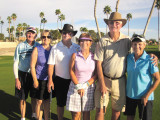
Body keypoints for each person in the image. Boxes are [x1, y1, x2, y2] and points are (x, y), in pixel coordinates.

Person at [94, 12, 158, 120]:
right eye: (111, 23)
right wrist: (102, 83)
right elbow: (98, 64)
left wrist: (150, 55)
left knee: (116, 112)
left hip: (120, 81)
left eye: (117, 23)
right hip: (104, 79)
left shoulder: (127, 40)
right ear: (108, 24)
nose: (114, 25)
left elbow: (137, 49)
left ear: (121, 25)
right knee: (100, 110)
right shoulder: (102, 41)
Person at [47, 24, 80, 120]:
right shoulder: (55, 48)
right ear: (61, 33)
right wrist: (50, 80)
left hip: (74, 81)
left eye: (69, 33)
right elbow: (50, 66)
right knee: (60, 104)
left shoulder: (77, 47)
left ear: (72, 35)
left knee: (74, 106)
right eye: (64, 32)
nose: (66, 35)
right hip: (60, 80)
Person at [125, 35, 160, 120]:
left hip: (145, 97)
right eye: (134, 44)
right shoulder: (129, 57)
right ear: (132, 45)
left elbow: (157, 79)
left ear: (144, 45)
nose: (137, 46)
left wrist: (147, 95)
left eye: (140, 44)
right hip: (130, 95)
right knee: (129, 117)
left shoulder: (150, 59)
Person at [66, 33, 97, 120]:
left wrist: (86, 84)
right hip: (76, 86)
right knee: (76, 114)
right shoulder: (75, 55)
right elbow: (71, 71)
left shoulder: (94, 56)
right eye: (82, 41)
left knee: (86, 113)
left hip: (89, 87)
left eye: (87, 40)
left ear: (91, 43)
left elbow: (96, 74)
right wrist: (79, 86)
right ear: (79, 43)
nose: (84, 43)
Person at [13, 27, 40, 120]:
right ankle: (23, 117)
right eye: (29, 33)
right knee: (22, 98)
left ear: (35, 35)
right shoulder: (20, 46)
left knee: (34, 96)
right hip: (22, 74)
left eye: (33, 33)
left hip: (34, 75)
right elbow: (16, 62)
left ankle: (34, 114)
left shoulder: (38, 46)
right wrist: (17, 79)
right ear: (26, 34)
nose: (30, 35)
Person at [30, 30, 52, 120]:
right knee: (39, 101)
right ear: (41, 38)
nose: (45, 39)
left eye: (48, 37)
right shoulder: (37, 49)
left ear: (50, 39)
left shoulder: (53, 49)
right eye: (43, 37)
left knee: (47, 102)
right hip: (39, 79)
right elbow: (32, 66)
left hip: (49, 80)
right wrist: (35, 80)